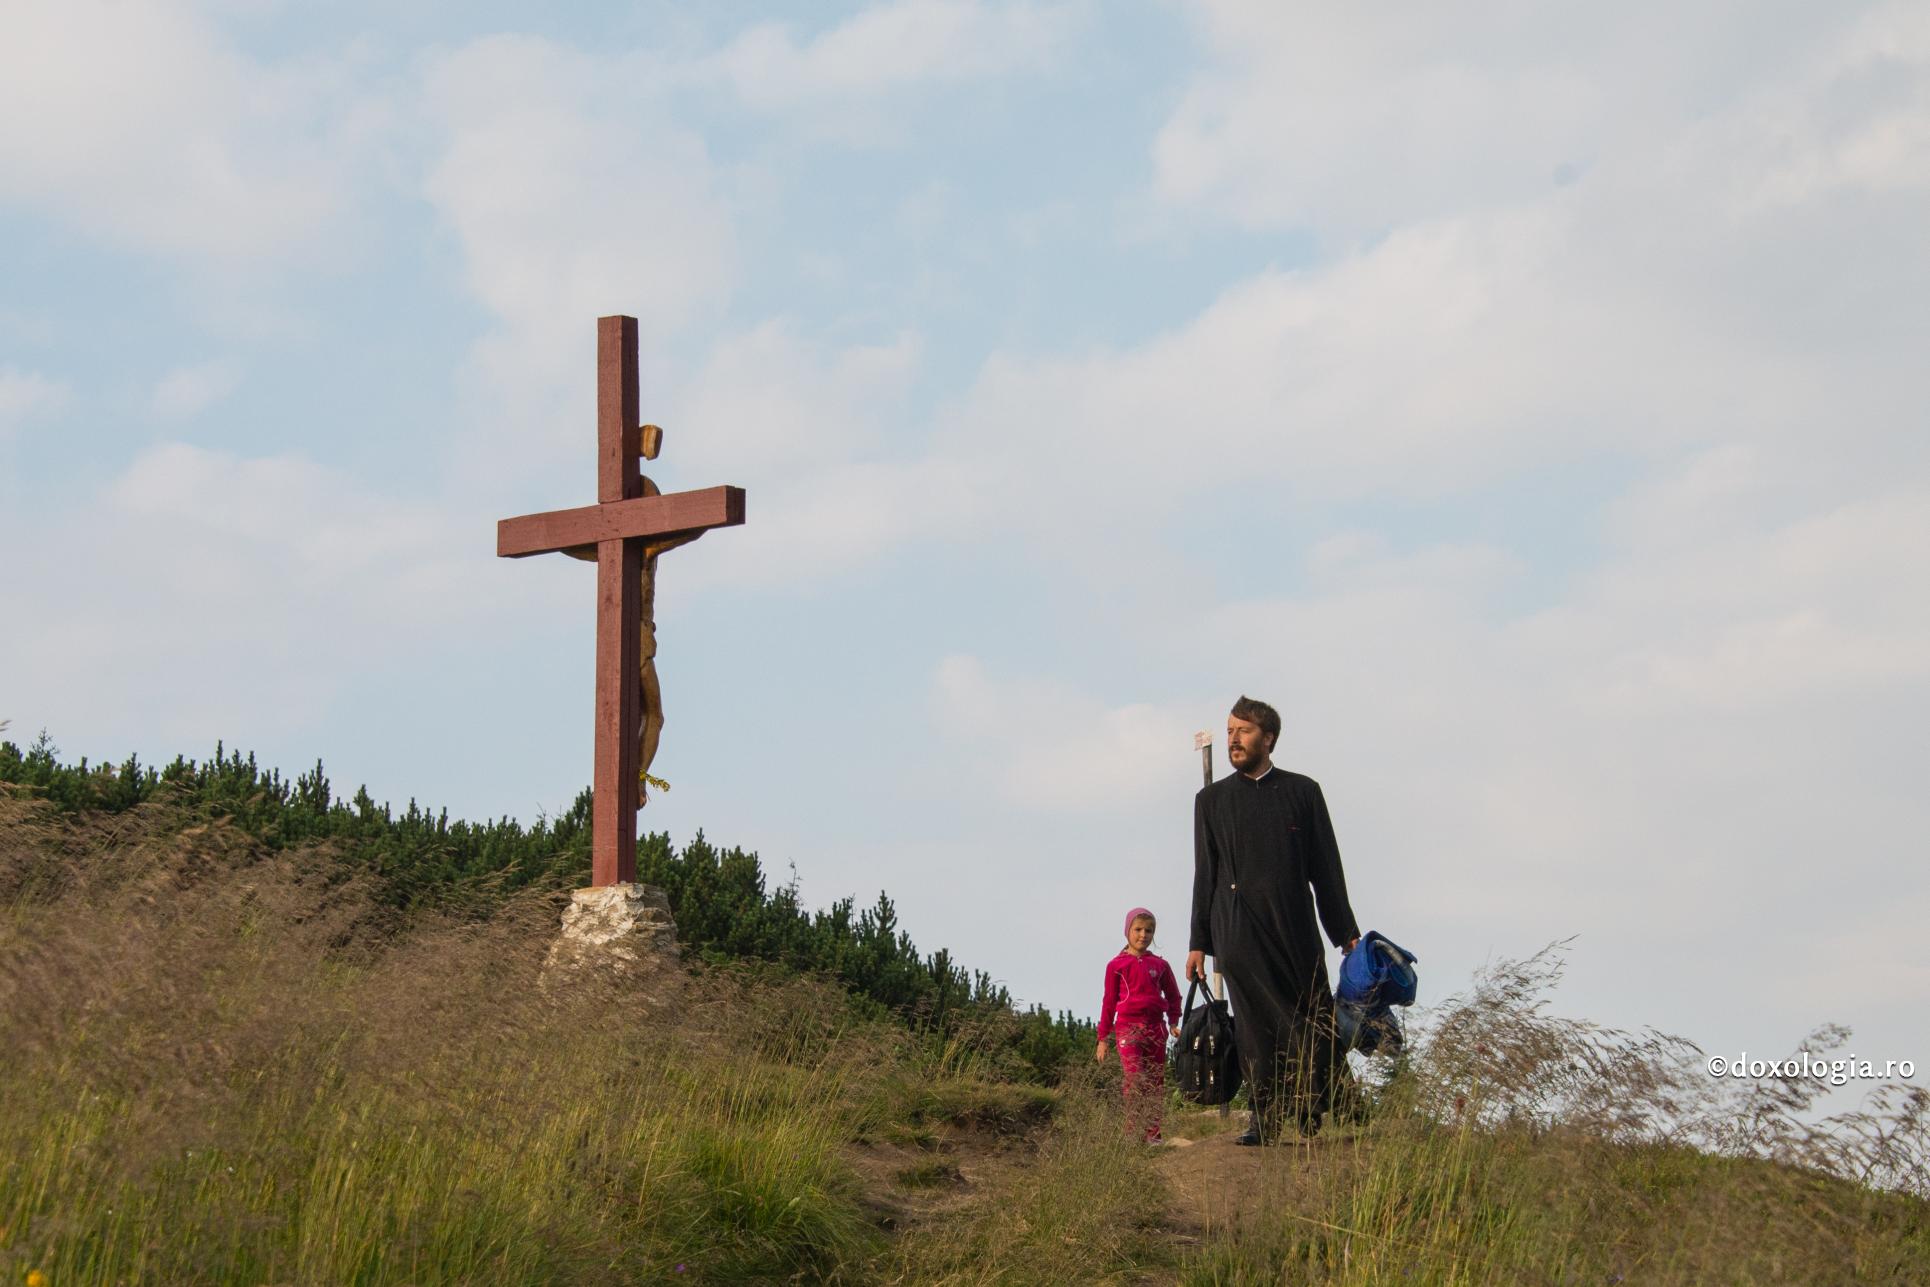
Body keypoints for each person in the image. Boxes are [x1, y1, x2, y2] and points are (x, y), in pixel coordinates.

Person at [1186, 696, 1361, 1144]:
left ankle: (1319, 1104)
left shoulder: (1303, 792)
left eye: (1243, 731)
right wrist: (1198, 942)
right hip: (1237, 927)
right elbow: (1205, 874)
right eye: (1230, 731)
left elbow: (1326, 868)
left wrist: (1346, 933)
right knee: (1254, 1026)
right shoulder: (1211, 801)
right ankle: (1265, 1118)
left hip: (1294, 925)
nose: (1234, 739)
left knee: (1312, 1015)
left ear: (1269, 739)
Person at [1095, 907, 1184, 1143]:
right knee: (1134, 1079)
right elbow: (1108, 1002)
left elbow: (1173, 995)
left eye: (1149, 931)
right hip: (1128, 1028)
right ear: (1127, 931)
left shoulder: (1160, 965)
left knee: (1155, 1081)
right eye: (1138, 929)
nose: (1143, 935)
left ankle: (1153, 1135)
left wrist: (1173, 1021)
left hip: (1156, 1028)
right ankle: (1133, 1134)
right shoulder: (1116, 965)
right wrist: (1103, 1038)